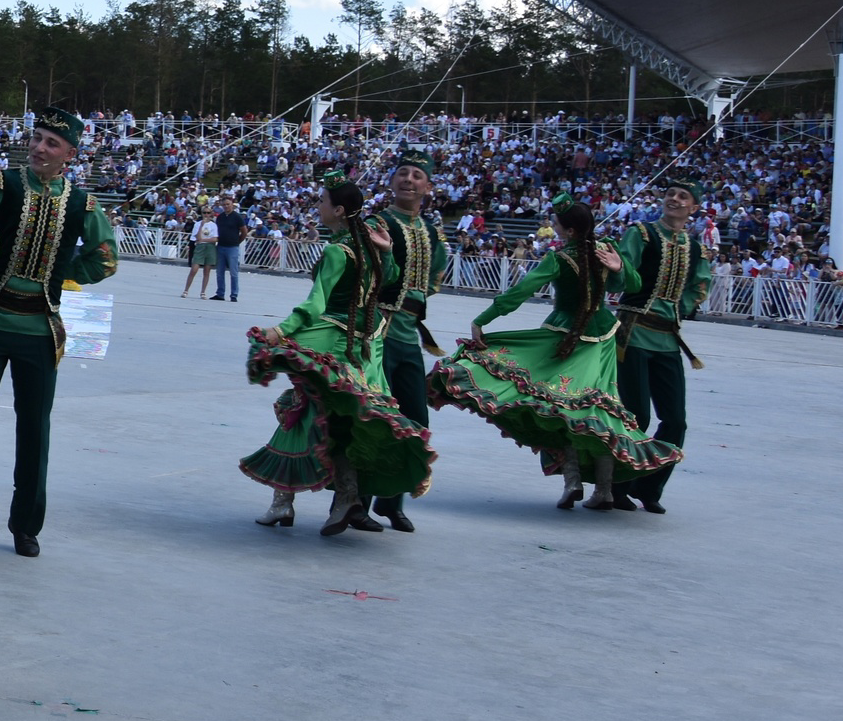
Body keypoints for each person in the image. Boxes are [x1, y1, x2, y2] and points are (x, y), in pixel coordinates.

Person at [430, 194, 681, 511]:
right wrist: (620, 268)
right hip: (603, 339)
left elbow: (521, 291)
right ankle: (603, 489)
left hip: (565, 338)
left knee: (564, 410)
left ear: (571, 231)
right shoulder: (607, 250)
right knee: (599, 411)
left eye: (557, 223)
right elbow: (633, 283)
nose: (553, 226)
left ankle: (574, 481)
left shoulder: (559, 259)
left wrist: (483, 320)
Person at [0, 107, 118, 557]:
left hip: (40, 331)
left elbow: (106, 258)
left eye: (51, 143)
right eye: (37, 137)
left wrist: (64, 271)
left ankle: (27, 526)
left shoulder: (82, 202)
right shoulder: (1, 184)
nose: (39, 148)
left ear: (70, 154)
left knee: (35, 431)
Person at [244, 170, 432, 536]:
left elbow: (315, 304)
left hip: (331, 341)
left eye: (322, 202)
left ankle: (287, 503)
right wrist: (389, 252)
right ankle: (342, 499)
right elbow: (390, 280)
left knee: (300, 410)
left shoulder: (336, 250)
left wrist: (279, 332)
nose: (318, 207)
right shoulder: (369, 246)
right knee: (336, 420)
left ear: (339, 209)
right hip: (365, 348)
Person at [613, 177, 712, 514]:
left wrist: (679, 309)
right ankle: (617, 486)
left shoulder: (695, 246)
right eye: (670, 193)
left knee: (675, 420)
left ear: (693, 208)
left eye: (683, 196)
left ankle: (650, 486)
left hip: (668, 339)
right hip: (633, 333)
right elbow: (623, 271)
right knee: (635, 415)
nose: (674, 199)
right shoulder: (641, 233)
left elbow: (700, 284)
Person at [362, 150, 448, 531]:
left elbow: (437, 271)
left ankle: (390, 499)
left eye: (416, 176)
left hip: (410, 337)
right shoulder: (378, 221)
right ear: (391, 182)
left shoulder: (430, 231)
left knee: (413, 421)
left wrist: (417, 297)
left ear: (428, 187)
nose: (408, 180)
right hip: (377, 333)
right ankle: (355, 502)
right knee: (372, 418)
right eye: (402, 174)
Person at [210, 196, 246, 301]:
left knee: (233, 272)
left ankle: (234, 294)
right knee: (219, 272)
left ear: (232, 205)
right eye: (224, 204)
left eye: (228, 204)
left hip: (232, 247)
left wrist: (237, 241)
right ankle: (220, 293)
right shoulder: (220, 217)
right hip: (221, 246)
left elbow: (244, 232)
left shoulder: (237, 217)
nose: (226, 206)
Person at [181, 208, 219, 298]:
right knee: (194, 269)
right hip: (200, 247)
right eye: (204, 213)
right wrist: (202, 226)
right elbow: (197, 237)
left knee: (207, 271)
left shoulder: (213, 225)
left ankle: (203, 292)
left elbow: (215, 238)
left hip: (210, 247)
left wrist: (204, 239)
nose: (206, 214)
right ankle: (186, 290)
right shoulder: (198, 224)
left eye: (208, 213)